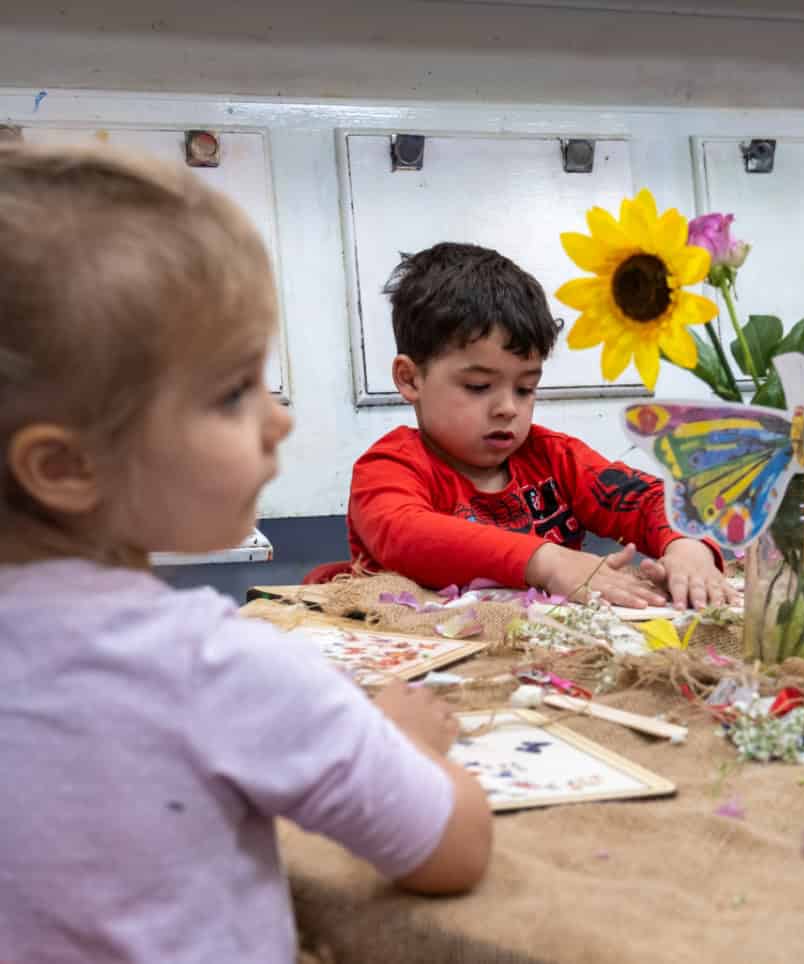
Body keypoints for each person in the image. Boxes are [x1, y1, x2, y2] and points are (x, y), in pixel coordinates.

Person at [0, 144, 491, 964]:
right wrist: (404, 738)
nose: (279, 419)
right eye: (233, 391)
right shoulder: (211, 665)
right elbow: (450, 849)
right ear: (65, 469)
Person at [348, 242, 737, 610]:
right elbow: (404, 533)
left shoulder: (554, 457)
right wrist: (548, 562)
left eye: (525, 388)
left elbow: (649, 499)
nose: (507, 409)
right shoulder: (388, 468)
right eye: (478, 387)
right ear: (410, 379)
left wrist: (688, 546)